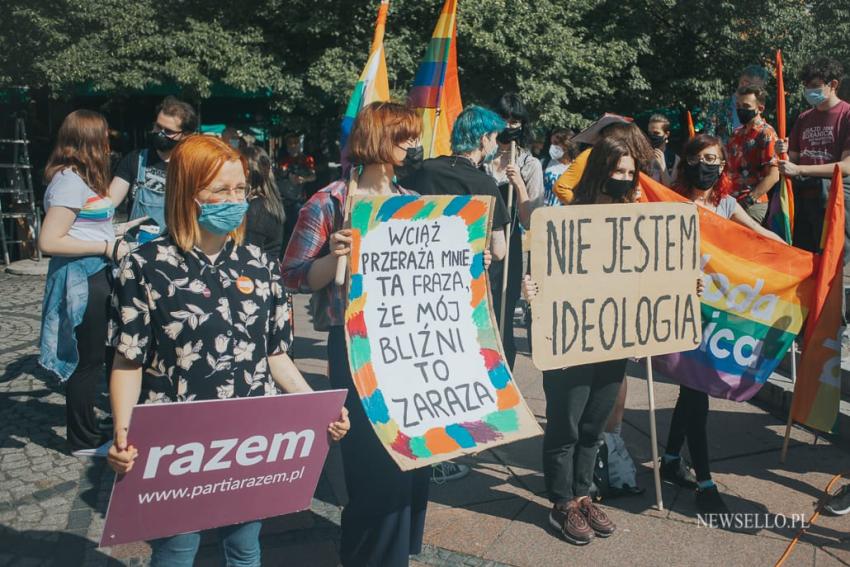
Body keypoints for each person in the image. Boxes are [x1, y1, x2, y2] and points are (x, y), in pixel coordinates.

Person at [106, 135, 349, 567]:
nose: (234, 200)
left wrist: (315, 408)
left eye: (241, 189)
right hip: (179, 444)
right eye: (220, 190)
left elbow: (276, 356)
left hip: (250, 439)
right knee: (176, 550)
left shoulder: (259, 265)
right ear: (187, 192)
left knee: (245, 548)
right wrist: (124, 435)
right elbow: (129, 359)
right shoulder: (144, 266)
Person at [281, 101, 429, 566]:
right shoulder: (328, 203)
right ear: (377, 140)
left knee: (410, 458)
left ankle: (389, 551)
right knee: (374, 464)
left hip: (413, 345)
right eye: (403, 136)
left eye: (412, 136)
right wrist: (335, 254)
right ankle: (368, 555)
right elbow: (293, 275)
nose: (413, 144)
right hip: (358, 346)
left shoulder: (412, 201)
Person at [522, 137, 642, 546]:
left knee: (594, 424)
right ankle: (562, 504)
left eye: (630, 173)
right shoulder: (566, 218)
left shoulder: (637, 222)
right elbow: (544, 270)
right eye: (617, 171)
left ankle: (583, 493)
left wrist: (681, 286)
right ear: (599, 172)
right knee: (566, 424)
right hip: (569, 338)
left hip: (613, 337)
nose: (624, 179)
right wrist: (533, 291)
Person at [661, 134, 782, 515]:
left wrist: (800, 258)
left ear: (722, 166)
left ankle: (668, 459)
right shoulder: (670, 200)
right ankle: (705, 482)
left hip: (713, 310)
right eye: (701, 157)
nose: (708, 164)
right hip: (680, 305)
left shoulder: (726, 204)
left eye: (715, 158)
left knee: (691, 387)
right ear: (688, 161)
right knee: (695, 389)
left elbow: (759, 236)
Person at [37, 110, 131, 451]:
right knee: (86, 362)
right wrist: (107, 245)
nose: (109, 141)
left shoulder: (79, 179)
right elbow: (49, 241)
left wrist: (115, 233)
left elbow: (82, 226)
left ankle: (91, 429)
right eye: (104, 135)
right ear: (90, 139)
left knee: (100, 357)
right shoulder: (68, 182)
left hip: (96, 274)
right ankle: (81, 440)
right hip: (83, 279)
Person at [484, 93, 544, 369]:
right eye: (505, 119)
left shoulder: (529, 164)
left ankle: (504, 373)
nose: (510, 125)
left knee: (503, 314)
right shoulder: (480, 158)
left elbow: (531, 219)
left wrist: (519, 184)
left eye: (516, 120)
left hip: (509, 247)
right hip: (478, 245)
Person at [777, 57, 850, 253]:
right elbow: (792, 160)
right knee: (803, 258)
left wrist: (800, 169)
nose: (810, 91)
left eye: (815, 86)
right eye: (806, 86)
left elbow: (846, 167)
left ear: (833, 84)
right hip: (803, 202)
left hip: (833, 202)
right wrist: (781, 154)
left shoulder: (847, 115)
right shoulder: (803, 118)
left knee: (831, 262)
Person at [109, 96, 198, 233]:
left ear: (186, 135)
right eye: (158, 126)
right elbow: (109, 203)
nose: (160, 133)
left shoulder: (195, 167)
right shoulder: (135, 159)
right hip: (137, 246)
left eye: (168, 131)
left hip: (179, 246)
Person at [726, 85, 780, 223]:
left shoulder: (766, 133)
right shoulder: (736, 133)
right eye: (738, 105)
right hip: (730, 201)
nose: (741, 109)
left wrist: (749, 200)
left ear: (760, 108)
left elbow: (773, 175)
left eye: (746, 105)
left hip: (751, 204)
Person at [701, 65, 770, 143]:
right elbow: (707, 139)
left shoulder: (758, 109)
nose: (760, 93)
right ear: (744, 83)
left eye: (761, 89)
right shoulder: (718, 107)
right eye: (756, 88)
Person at [242, 145, 286, 259]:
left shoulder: (255, 209)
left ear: (246, 174)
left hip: (255, 272)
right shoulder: (267, 201)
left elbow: (247, 254)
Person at [278, 133, 317, 249]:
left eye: (295, 143)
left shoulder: (307, 159)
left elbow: (314, 176)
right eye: (290, 143)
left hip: (301, 200)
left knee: (300, 230)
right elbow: (279, 175)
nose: (293, 146)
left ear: (299, 144)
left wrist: (303, 179)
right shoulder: (283, 160)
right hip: (286, 201)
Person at [542, 129, 578, 206]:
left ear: (566, 145)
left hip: (564, 215)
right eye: (551, 143)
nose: (552, 147)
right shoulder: (545, 163)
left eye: (556, 143)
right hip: (544, 213)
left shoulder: (577, 166)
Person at [645, 114, 679, 186]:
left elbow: (670, 189)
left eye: (656, 133)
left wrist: (663, 167)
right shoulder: (642, 154)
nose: (652, 136)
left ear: (666, 134)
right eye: (649, 133)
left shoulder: (674, 159)